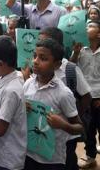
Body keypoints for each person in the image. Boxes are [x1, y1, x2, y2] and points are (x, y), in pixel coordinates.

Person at [23, 38, 84, 169]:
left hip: (52, 160)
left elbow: (79, 127)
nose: (35, 61)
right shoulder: (28, 84)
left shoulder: (63, 93)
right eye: (35, 56)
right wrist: (21, 109)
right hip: (28, 154)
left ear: (56, 65)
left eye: (43, 58)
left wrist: (63, 125)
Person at [38, 27, 92, 170]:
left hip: (67, 135)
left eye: (45, 42)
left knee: (67, 162)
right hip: (46, 132)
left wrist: (72, 115)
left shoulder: (70, 69)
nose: (40, 46)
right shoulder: (38, 68)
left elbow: (87, 96)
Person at [0, 36, 27, 170]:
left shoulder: (11, 90)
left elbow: (0, 130)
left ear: (1, 64)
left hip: (7, 159)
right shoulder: (3, 78)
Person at [70, 20, 100, 169]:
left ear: (99, 33)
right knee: (88, 127)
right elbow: (71, 66)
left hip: (99, 96)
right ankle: (90, 155)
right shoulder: (80, 48)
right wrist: (75, 52)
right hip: (85, 96)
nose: (87, 28)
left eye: (91, 26)